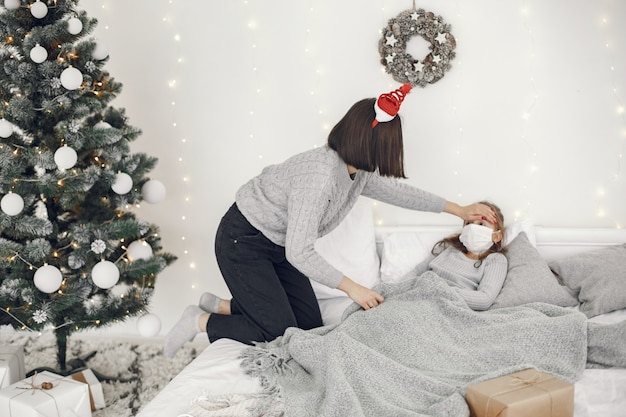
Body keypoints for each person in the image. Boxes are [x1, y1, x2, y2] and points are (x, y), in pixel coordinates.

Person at [163, 83, 498, 357]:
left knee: (308, 327)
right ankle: (201, 319)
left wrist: (460, 210)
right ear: (372, 144)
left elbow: (400, 194)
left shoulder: (358, 171)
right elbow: (300, 253)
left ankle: (227, 305)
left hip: (277, 244)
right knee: (279, 334)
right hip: (244, 242)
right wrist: (354, 289)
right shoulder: (320, 176)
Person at [405, 201, 507, 311]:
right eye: (468, 223)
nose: (472, 228)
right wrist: (407, 288)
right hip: (418, 296)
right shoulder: (447, 247)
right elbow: (417, 271)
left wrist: (439, 292)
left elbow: (484, 299)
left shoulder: (495, 260)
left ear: (497, 236)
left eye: (481, 224)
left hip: (447, 307)